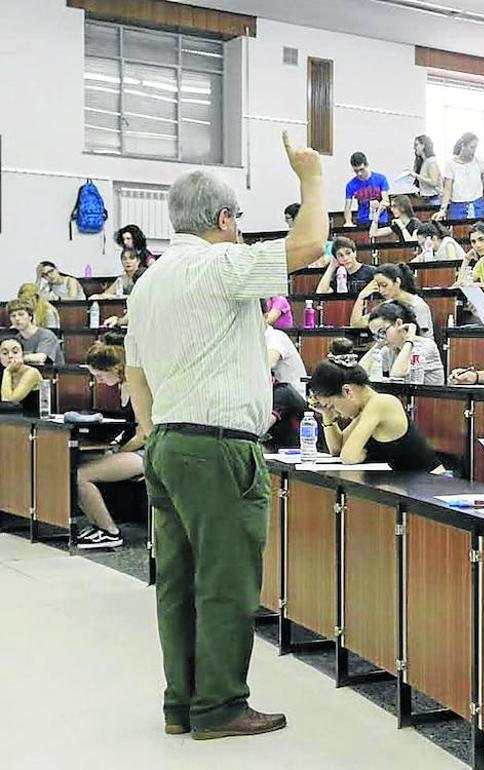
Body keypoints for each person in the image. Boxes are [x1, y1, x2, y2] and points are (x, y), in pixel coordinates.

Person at [124, 131, 329, 739]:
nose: (241, 228)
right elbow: (310, 243)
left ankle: (181, 703)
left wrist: (150, 430)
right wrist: (311, 178)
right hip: (217, 447)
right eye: (238, 218)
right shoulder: (221, 263)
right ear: (223, 219)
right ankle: (220, 706)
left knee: (178, 581)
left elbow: (135, 370)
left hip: (166, 443)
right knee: (226, 581)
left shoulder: (149, 281)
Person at [307, 354, 445, 471]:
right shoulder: (365, 408)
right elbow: (337, 451)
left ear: (347, 391)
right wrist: (327, 414)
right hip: (408, 486)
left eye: (332, 406)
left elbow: (348, 456)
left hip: (431, 486)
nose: (336, 413)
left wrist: (357, 454)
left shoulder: (381, 403)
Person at [75, 332, 146, 550]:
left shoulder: (137, 386)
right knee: (74, 465)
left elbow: (144, 433)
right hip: (133, 450)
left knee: (81, 476)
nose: (99, 381)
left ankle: (110, 531)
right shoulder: (124, 386)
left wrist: (117, 452)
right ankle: (97, 525)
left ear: (115, 369)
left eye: (100, 375)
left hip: (146, 452)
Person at [362, 301, 444, 384]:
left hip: (428, 396)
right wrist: (378, 344)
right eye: (376, 335)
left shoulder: (426, 346)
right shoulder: (388, 350)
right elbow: (361, 374)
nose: (381, 338)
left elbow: (397, 374)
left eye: (382, 332)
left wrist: (409, 340)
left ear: (399, 323)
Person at [348, 262, 433, 338]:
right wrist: (361, 297)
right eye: (378, 286)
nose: (381, 291)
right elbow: (356, 324)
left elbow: (423, 340)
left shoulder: (418, 305)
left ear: (397, 282)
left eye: (384, 285)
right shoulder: (388, 305)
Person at [434, 132, 484, 221]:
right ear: (463, 146)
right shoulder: (450, 164)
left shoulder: (480, 162)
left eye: (475, 147)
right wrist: (442, 210)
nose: (474, 150)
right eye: (471, 147)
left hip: (477, 205)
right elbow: (447, 190)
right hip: (457, 207)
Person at [8, 299, 64, 366]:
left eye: (21, 314)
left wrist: (16, 358)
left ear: (30, 317)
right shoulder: (16, 339)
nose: (17, 319)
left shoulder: (47, 335)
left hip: (50, 374)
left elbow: (41, 358)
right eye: (13, 316)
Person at [343, 151, 389, 229]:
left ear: (367, 165)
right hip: (363, 220)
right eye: (356, 171)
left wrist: (380, 205)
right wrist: (348, 221)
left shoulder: (381, 178)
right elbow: (347, 207)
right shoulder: (350, 185)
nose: (359, 174)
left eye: (361, 169)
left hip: (381, 220)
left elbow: (386, 201)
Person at [0, 335, 42, 413]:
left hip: (29, 421)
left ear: (22, 354)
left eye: (15, 352)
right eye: (5, 353)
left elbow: (8, 403)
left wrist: (7, 372)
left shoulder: (32, 373)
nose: (10, 356)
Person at [264, 324, 307, 397]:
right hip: (276, 395)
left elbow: (270, 362)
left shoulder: (275, 336)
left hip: (291, 398)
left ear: (265, 317)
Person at [411, 134, 442, 205]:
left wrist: (416, 176)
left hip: (434, 199)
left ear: (423, 145)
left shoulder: (431, 161)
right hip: (426, 198)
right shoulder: (424, 162)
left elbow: (434, 182)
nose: (414, 148)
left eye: (416, 145)